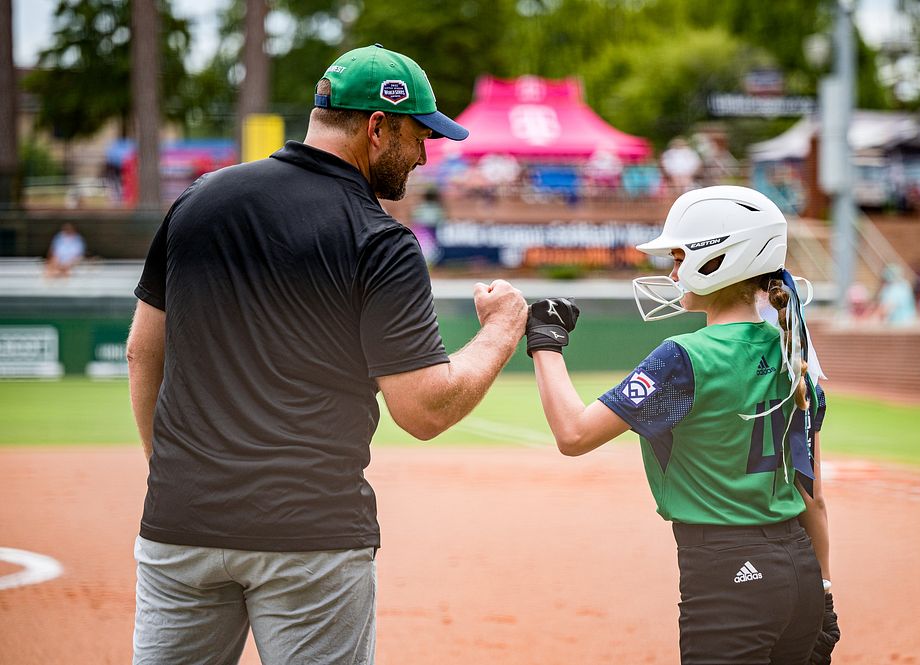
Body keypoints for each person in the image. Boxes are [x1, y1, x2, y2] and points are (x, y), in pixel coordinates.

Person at [125, 44, 528, 665]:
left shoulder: (198, 201)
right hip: (308, 535)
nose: (424, 154)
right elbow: (423, 411)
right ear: (377, 126)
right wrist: (502, 329)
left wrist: (172, 471)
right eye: (420, 134)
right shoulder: (379, 238)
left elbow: (140, 352)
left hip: (180, 526)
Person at [525, 186, 838, 664]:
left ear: (717, 260)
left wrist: (544, 339)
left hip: (728, 577)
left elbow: (573, 433)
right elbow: (812, 495)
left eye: (679, 258)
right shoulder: (795, 351)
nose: (672, 273)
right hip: (800, 571)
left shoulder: (684, 356)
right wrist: (824, 587)